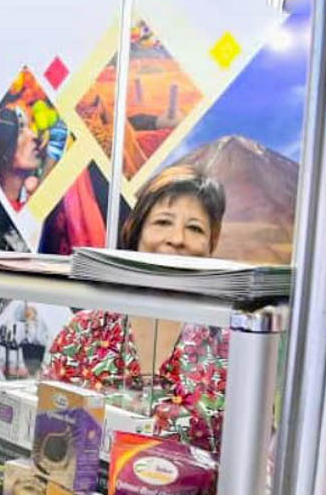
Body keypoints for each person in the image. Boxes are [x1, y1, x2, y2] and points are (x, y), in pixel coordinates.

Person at [44, 165, 229, 453]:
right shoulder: (82, 333)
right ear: (137, 232)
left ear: (211, 244)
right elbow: (46, 433)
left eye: (195, 228)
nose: (177, 238)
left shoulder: (229, 345)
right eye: (163, 222)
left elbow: (255, 456)